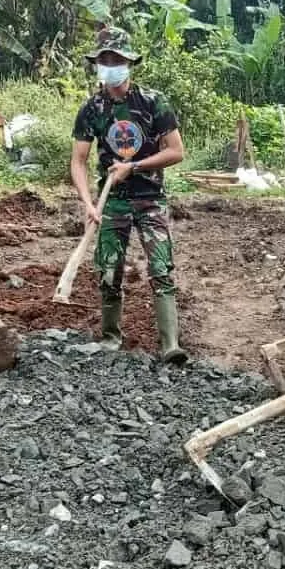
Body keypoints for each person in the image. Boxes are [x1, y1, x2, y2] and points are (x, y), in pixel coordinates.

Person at [70, 26, 187, 364]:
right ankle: (110, 339)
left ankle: (170, 345)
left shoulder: (152, 102)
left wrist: (133, 167)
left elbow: (176, 151)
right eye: (104, 60)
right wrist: (88, 203)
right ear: (97, 65)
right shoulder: (91, 108)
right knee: (109, 270)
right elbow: (78, 162)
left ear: (129, 62)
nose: (111, 65)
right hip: (114, 201)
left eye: (117, 59)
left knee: (161, 268)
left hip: (150, 197)